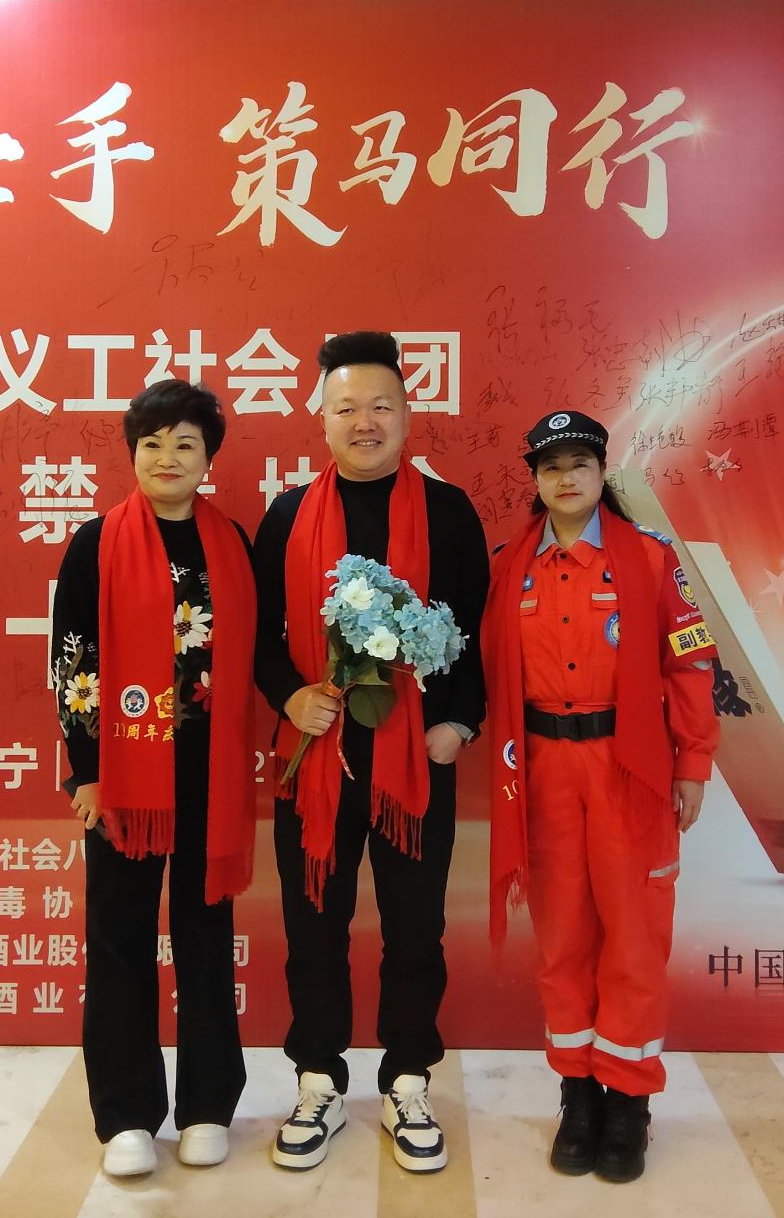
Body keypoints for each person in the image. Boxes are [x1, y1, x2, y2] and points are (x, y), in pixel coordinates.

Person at [252, 331, 488, 1174]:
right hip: (315, 755)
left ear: (407, 414)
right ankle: (318, 1077)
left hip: (413, 762)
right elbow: (258, 634)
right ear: (321, 419)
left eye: (381, 405)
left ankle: (408, 1078)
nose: (365, 422)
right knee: (313, 923)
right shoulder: (287, 515)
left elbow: (474, 632)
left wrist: (457, 726)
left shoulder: (449, 512)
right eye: (347, 407)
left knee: (415, 927)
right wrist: (290, 694)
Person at [483, 410, 721, 1184]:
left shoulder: (648, 557)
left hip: (629, 768)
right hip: (543, 768)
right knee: (563, 937)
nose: (566, 477)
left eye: (579, 463)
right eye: (551, 465)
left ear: (600, 472)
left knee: (634, 936)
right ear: (535, 478)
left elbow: (690, 662)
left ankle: (629, 1101)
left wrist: (693, 763)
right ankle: (578, 1095)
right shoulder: (509, 566)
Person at [50, 378, 257, 1179]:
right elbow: (73, 662)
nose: (167, 458)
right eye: (152, 444)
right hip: (125, 776)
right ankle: (127, 1113)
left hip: (210, 773)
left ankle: (207, 1104)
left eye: (185, 444)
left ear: (208, 457)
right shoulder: (95, 542)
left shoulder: (230, 541)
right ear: (132, 452)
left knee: (206, 937)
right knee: (120, 939)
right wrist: (87, 772)